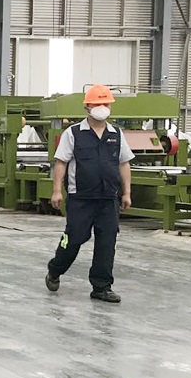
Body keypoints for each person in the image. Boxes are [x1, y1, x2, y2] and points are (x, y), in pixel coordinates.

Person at [45, 84, 134, 303]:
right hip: (81, 198)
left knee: (107, 242)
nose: (102, 108)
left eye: (105, 104)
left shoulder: (116, 134)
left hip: (108, 198)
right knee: (74, 238)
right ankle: (55, 269)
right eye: (97, 104)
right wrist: (57, 191)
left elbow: (124, 164)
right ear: (87, 107)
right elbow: (61, 162)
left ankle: (102, 287)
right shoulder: (73, 133)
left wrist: (126, 193)